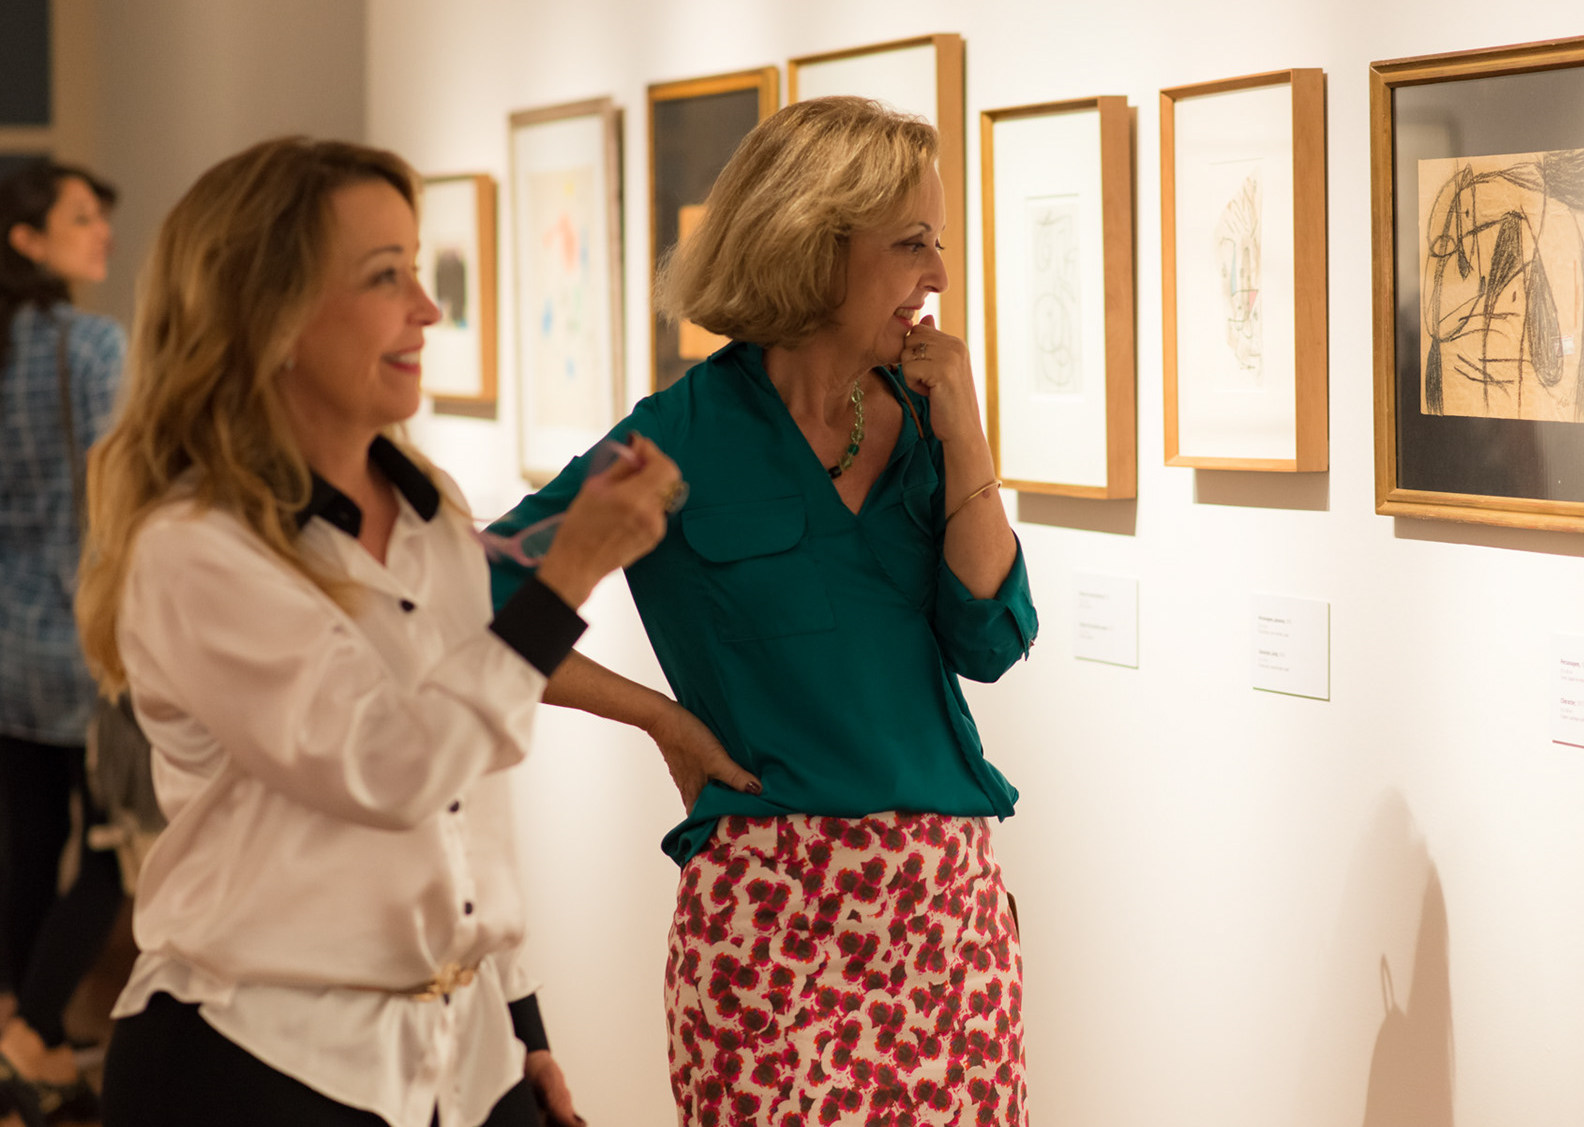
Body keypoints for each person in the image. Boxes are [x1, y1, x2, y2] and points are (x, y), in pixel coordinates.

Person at [72, 137, 687, 1127]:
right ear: (272, 319)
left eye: (416, 267)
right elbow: (390, 766)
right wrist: (567, 575)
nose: (428, 308)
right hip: (259, 1066)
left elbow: (468, 811)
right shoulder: (196, 550)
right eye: (383, 275)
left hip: (466, 1059)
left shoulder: (429, 510)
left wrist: (523, 1026)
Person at [488, 97, 1039, 1127]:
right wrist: (660, 716)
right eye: (912, 242)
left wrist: (967, 433)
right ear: (816, 248)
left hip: (944, 913)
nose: (938, 274)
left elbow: (991, 638)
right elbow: (481, 603)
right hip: (769, 919)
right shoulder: (680, 433)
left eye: (937, 243)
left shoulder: (925, 423)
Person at [0, 161, 127, 1124]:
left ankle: (15, 1022)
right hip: (77, 636)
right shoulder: (90, 347)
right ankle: (36, 1031)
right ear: (27, 240)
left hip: (4, 639)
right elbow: (117, 494)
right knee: (114, 848)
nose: (102, 232)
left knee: (26, 843)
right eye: (81, 218)